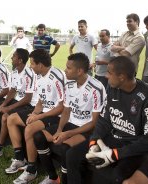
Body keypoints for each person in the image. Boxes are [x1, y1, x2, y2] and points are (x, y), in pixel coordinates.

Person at [85, 56, 148, 183]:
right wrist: (94, 141)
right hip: (115, 138)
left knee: (116, 175)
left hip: (137, 147)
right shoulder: (112, 87)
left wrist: (115, 154)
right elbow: (104, 119)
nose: (106, 76)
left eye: (109, 72)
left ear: (122, 77)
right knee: (75, 155)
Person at [33, 52, 106, 184]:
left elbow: (94, 122)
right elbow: (66, 110)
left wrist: (67, 134)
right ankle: (53, 178)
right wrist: (60, 130)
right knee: (38, 136)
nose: (65, 70)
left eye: (68, 68)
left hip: (87, 129)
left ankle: (65, 181)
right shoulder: (69, 85)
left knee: (65, 148)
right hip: (70, 124)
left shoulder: (96, 88)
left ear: (79, 71)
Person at [7, 49, 65, 184]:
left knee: (29, 128)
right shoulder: (38, 76)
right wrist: (34, 113)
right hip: (44, 113)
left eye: (32, 63)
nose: (30, 66)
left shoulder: (57, 76)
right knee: (11, 119)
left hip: (57, 115)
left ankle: (32, 170)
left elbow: (62, 107)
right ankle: (20, 159)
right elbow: (40, 101)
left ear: (40, 64)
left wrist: (39, 117)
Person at [0, 48, 37, 160]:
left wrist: (9, 107)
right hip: (17, 100)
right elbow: (12, 90)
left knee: (5, 117)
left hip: (27, 104)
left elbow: (28, 98)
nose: (11, 58)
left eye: (13, 56)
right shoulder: (14, 72)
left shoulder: (29, 73)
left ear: (20, 60)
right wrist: (4, 104)